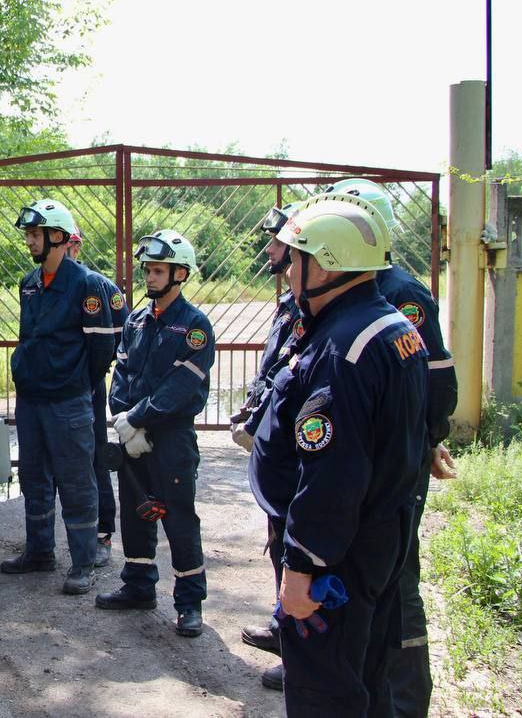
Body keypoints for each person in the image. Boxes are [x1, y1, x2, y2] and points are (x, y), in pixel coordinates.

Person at [251, 192, 429, 717]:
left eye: (295, 259)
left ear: (325, 264)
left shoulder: (343, 348)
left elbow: (333, 473)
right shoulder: (389, 327)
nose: (286, 271)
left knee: (324, 689)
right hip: (377, 539)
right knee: (366, 678)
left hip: (339, 558)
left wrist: (303, 565)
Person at [323, 177, 459, 716]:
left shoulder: (402, 293)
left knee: (397, 579)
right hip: (358, 460)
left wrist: (425, 443)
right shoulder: (349, 287)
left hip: (394, 465)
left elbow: (436, 382)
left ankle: (404, 701)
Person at [1, 199, 118, 596]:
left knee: (75, 479)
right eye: (29, 235)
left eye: (35, 235)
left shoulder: (86, 285)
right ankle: (39, 552)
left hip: (68, 401)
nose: (30, 241)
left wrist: (76, 385)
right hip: (31, 399)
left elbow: (102, 349)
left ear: (58, 237)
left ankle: (83, 562)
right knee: (33, 476)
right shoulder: (29, 283)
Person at [100, 230, 213, 637]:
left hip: (171, 438)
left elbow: (181, 387)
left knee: (178, 516)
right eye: (147, 269)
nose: (149, 277)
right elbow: (123, 373)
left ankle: (189, 602)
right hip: (134, 433)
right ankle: (138, 585)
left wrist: (139, 419)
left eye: (158, 270)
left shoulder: (195, 326)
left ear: (180, 274)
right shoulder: (136, 319)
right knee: (135, 510)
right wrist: (123, 421)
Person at [234, 204, 306, 688]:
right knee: (280, 543)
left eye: (277, 243)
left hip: (302, 455)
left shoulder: (314, 308)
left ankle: (302, 652)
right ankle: (286, 630)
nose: (269, 249)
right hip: (278, 452)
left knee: (300, 550)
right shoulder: (290, 304)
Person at [65, 225, 129, 568]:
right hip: (53, 392)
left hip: (87, 388)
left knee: (93, 457)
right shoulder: (41, 284)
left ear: (77, 246)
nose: (69, 252)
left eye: (73, 245)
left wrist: (90, 377)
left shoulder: (99, 286)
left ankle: (103, 533)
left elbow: (124, 335)